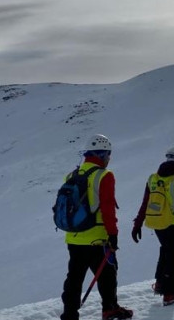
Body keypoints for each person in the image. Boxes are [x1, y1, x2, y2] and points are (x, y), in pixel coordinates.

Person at [59, 134, 133, 320]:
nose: (109, 159)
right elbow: (108, 208)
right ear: (102, 154)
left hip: (74, 237)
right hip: (97, 237)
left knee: (74, 278)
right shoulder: (104, 175)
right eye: (108, 155)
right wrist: (113, 234)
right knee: (108, 274)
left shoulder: (71, 175)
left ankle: (69, 314)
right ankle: (110, 309)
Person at [131, 146, 174, 306]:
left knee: (165, 250)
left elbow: (145, 203)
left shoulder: (153, 178)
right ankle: (170, 294)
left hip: (156, 223)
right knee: (173, 256)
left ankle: (161, 284)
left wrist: (138, 224)